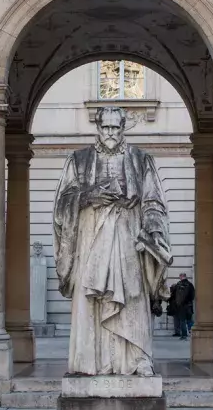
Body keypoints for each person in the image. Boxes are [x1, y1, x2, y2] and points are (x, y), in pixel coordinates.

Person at [53, 106, 172, 377]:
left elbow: (154, 200)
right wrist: (87, 196)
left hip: (128, 236)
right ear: (97, 127)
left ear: (123, 127)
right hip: (90, 238)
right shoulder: (79, 160)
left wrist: (153, 228)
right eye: (105, 127)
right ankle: (92, 362)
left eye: (115, 127)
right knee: (92, 298)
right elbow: (62, 205)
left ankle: (134, 360)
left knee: (131, 295)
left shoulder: (141, 159)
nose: (110, 133)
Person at [168, 273, 195, 340]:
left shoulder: (178, 284)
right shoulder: (190, 284)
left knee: (182, 321)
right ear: (185, 277)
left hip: (181, 306)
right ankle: (192, 334)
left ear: (181, 277)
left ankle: (184, 335)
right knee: (189, 320)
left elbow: (173, 295)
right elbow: (192, 295)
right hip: (188, 305)